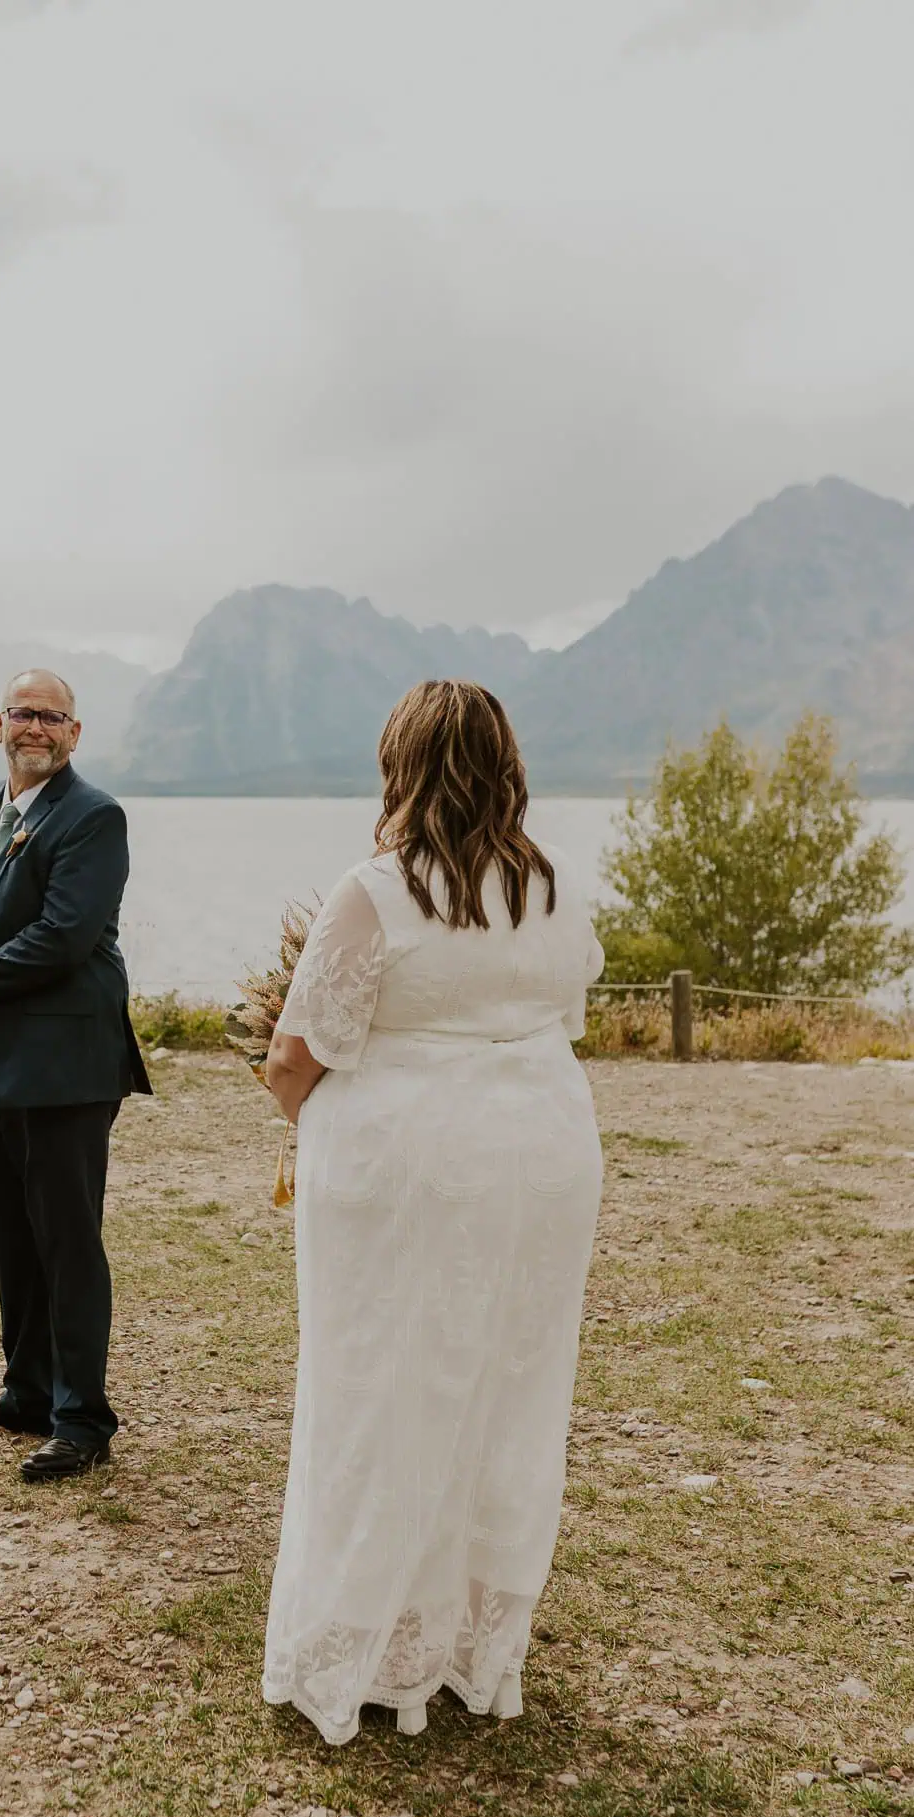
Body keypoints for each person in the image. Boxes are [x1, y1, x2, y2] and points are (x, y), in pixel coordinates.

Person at [261, 679, 604, 1743]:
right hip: (544, 1158)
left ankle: (366, 1642)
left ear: (398, 764)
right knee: (507, 1385)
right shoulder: (554, 888)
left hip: (407, 1169)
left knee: (378, 1386)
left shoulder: (376, 890)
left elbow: (293, 1055)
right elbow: (564, 1014)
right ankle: (469, 1648)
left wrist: (302, 1116)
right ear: (505, 764)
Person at [0, 668, 151, 1482]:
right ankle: (25, 1392)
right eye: (25, 714)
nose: (37, 729)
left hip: (68, 1064)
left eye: (54, 717)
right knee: (11, 1231)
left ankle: (82, 1417)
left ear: (75, 734)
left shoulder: (95, 817)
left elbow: (63, 935)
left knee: (67, 1241)